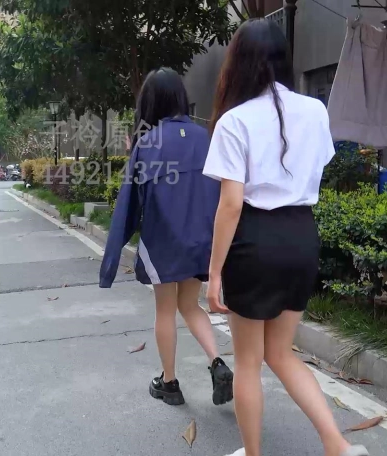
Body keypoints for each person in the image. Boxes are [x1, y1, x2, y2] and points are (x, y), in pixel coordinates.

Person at [203, 19, 369, 456]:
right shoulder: (315, 110)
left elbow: (230, 205)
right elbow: (314, 168)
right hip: (300, 235)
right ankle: (338, 445)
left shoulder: (234, 121)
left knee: (248, 362)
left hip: (253, 239)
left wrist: (214, 273)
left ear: (238, 63)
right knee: (281, 353)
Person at [100, 68, 234, 407]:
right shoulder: (206, 137)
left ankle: (169, 382)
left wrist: (110, 261)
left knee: (165, 310)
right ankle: (217, 362)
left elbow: (129, 203)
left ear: (149, 101)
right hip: (200, 239)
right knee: (189, 304)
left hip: (162, 242)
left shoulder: (147, 143)